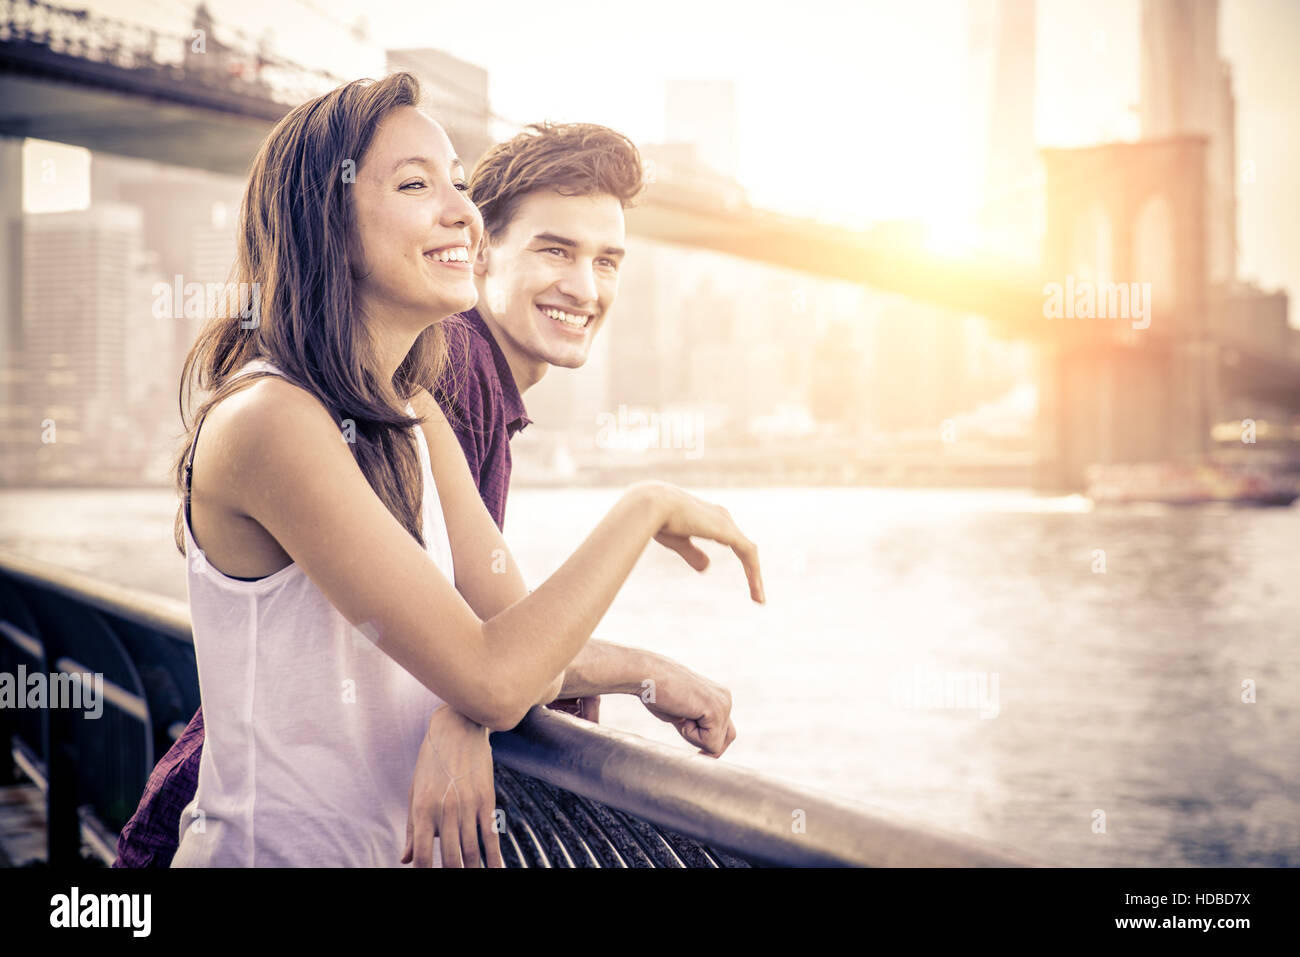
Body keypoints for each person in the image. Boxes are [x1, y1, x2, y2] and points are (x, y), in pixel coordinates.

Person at [128, 72, 762, 868]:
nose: (462, 210)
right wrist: (646, 507)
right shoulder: (270, 420)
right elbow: (493, 676)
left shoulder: (418, 411)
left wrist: (644, 673)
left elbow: (513, 643)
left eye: (459, 184)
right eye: (416, 183)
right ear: (325, 217)